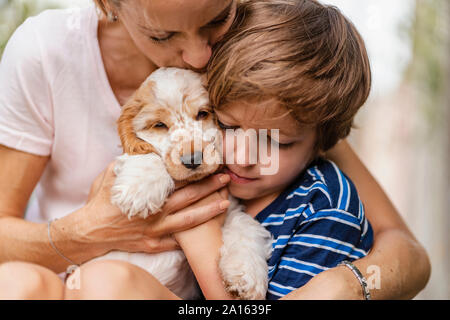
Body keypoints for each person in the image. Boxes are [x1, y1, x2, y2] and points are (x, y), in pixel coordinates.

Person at [0, 0, 429, 300]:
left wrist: (347, 285)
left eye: (216, 19)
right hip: (69, 277)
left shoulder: (254, 52)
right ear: (108, 4)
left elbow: (408, 253)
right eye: (162, 33)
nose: (199, 55)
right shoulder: (45, 53)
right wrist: (86, 231)